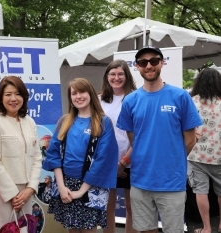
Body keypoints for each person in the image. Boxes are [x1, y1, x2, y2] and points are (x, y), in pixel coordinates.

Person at [116, 45, 203, 233]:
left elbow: (190, 140)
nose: (149, 66)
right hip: (140, 180)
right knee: (146, 230)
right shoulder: (130, 101)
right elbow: (134, 140)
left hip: (171, 181)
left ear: (162, 63)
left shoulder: (180, 96)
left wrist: (172, 159)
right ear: (137, 67)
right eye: (143, 62)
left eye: (154, 61)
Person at [43, 77, 118, 233]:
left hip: (91, 186)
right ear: (70, 98)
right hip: (67, 186)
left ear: (90, 93)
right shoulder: (65, 121)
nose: (78, 96)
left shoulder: (103, 122)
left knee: (88, 229)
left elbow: (102, 160)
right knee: (73, 230)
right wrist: (62, 187)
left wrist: (82, 191)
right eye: (74, 93)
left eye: (82, 91)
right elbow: (54, 154)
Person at [0, 76, 42, 231]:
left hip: (26, 192)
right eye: (8, 94)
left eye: (18, 94)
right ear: (0, 98)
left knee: (24, 229)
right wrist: (12, 194)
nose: (13, 98)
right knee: (5, 228)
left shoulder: (30, 122)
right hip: (3, 193)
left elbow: (37, 158)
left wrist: (30, 188)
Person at [99, 59, 137, 233]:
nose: (116, 77)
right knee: (108, 208)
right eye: (112, 74)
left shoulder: (136, 98)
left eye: (120, 73)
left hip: (133, 161)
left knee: (132, 208)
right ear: (107, 77)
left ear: (127, 76)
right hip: (108, 162)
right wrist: (113, 163)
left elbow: (140, 135)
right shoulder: (99, 100)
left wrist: (123, 162)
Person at [188, 68, 221, 233]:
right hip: (219, 155)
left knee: (200, 191)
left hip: (195, 154)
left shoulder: (192, 102)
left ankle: (206, 228)